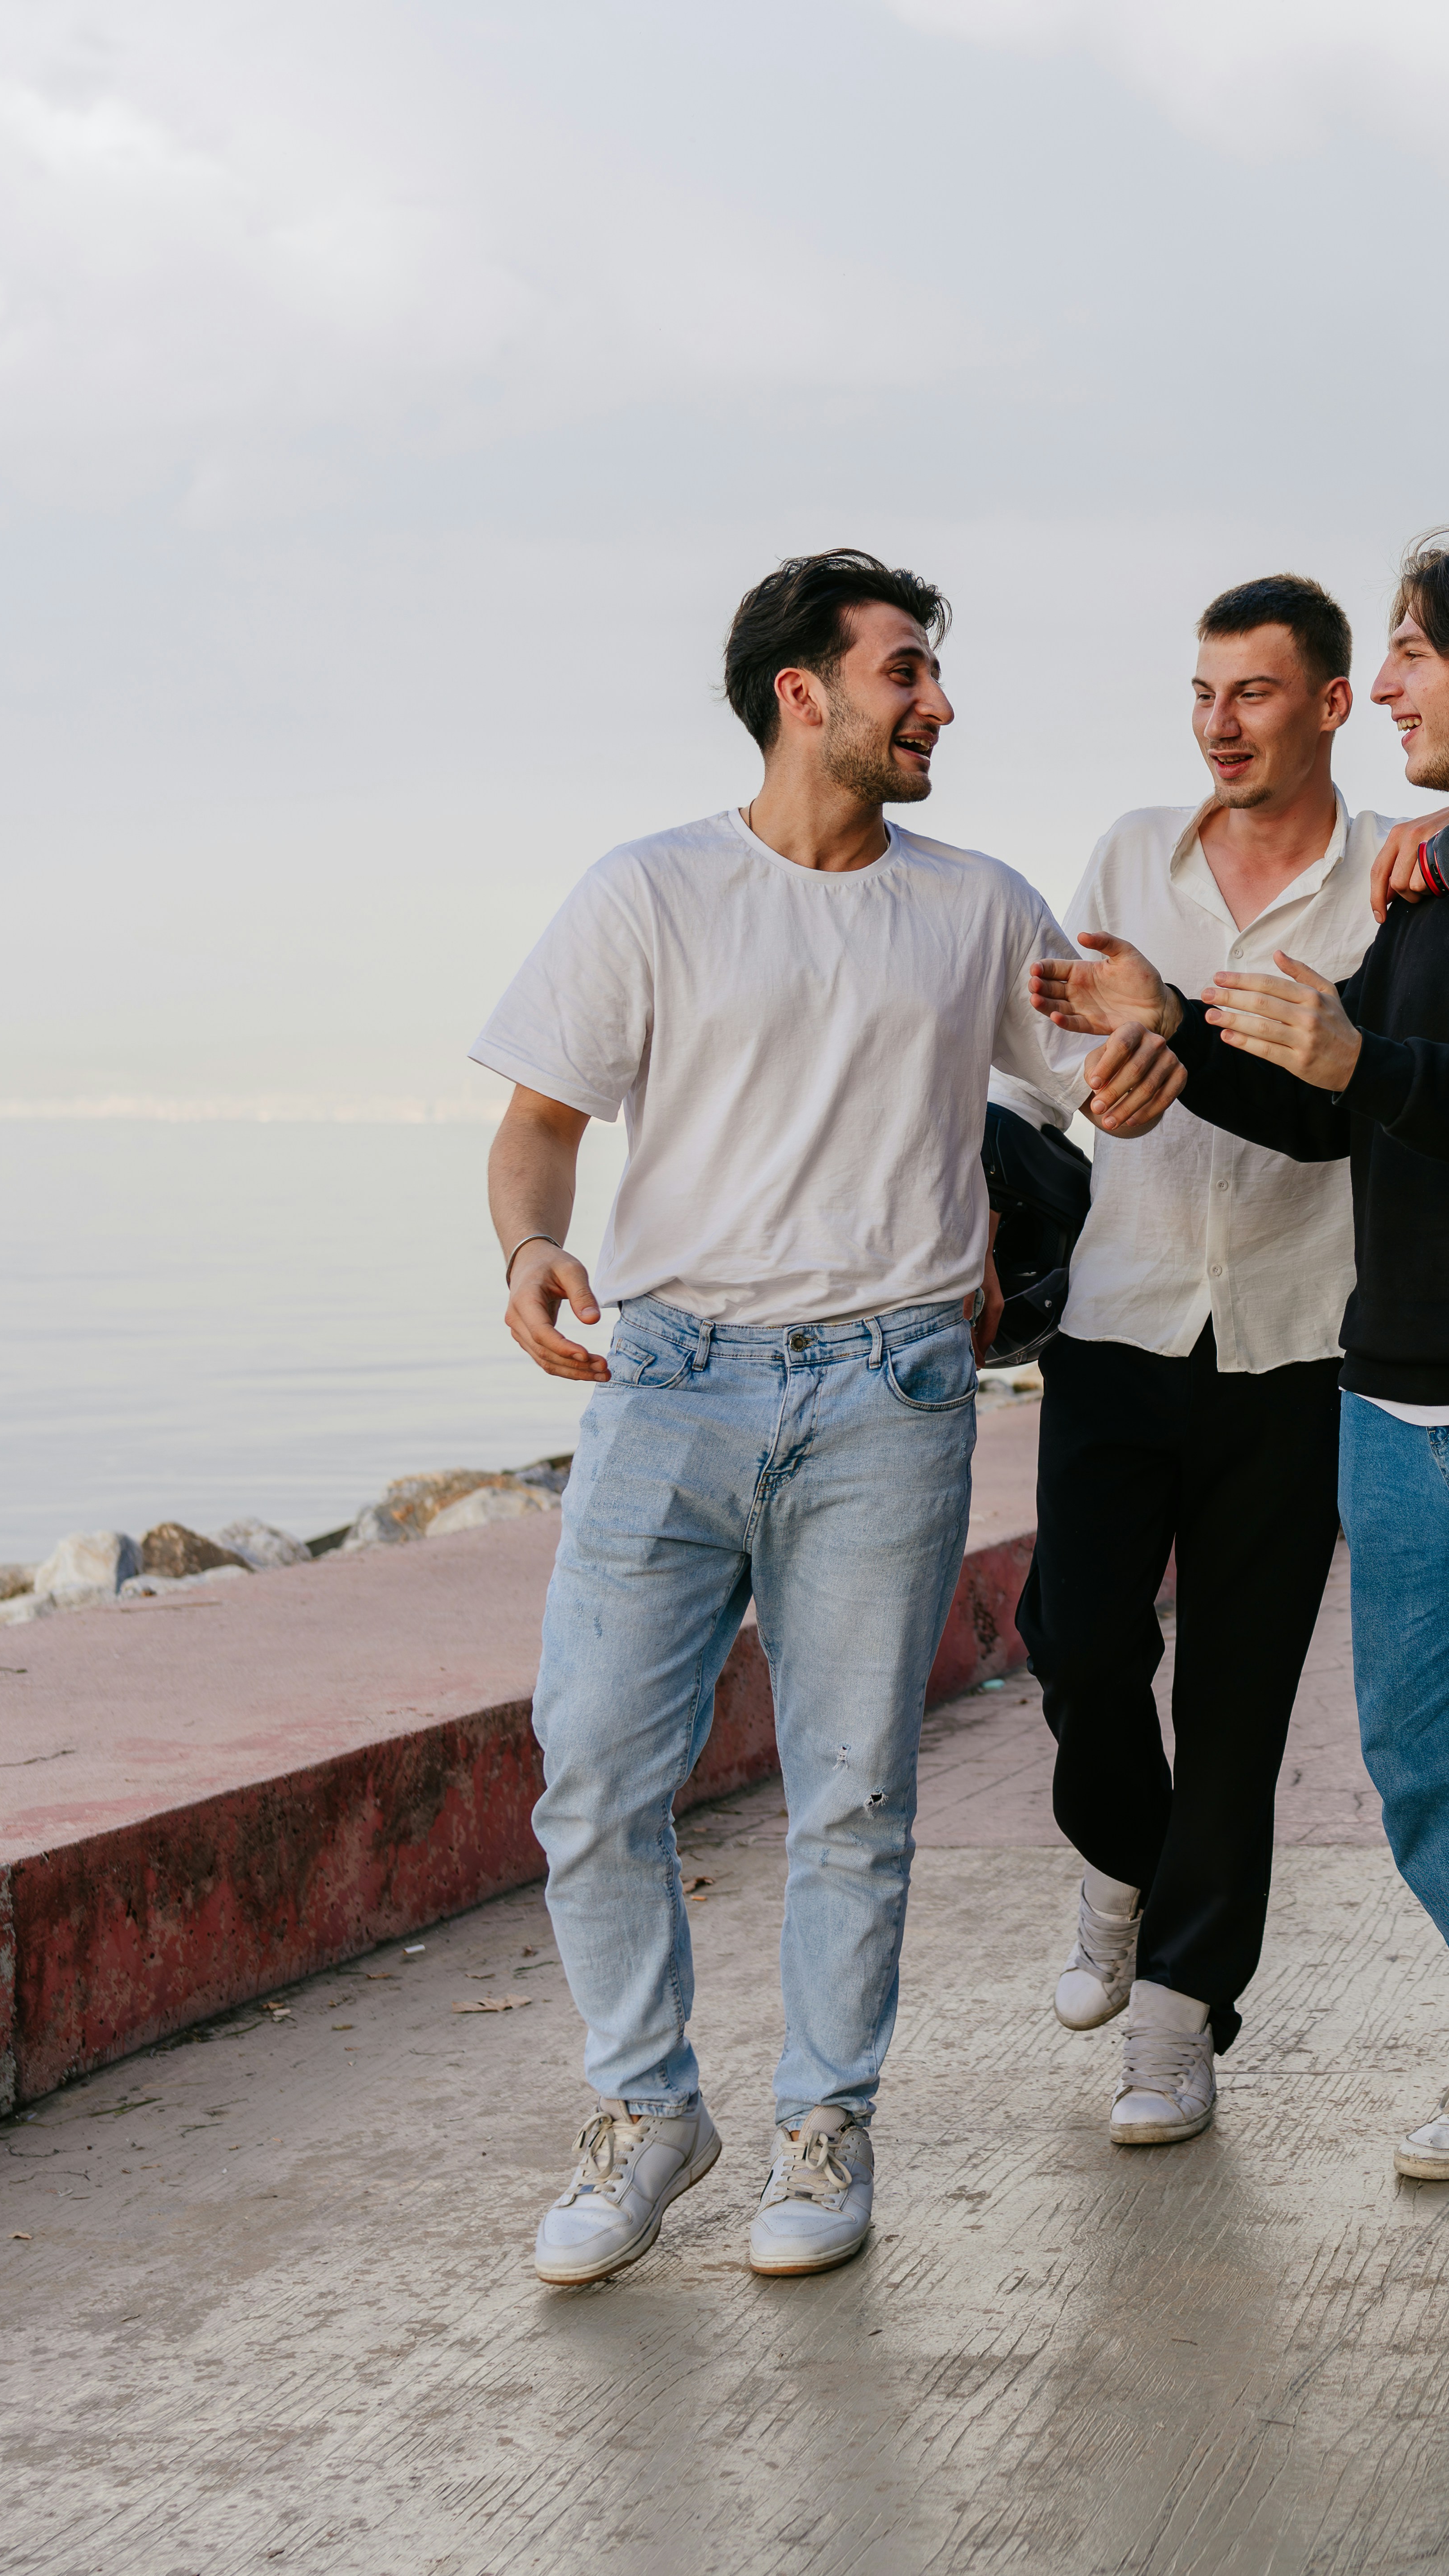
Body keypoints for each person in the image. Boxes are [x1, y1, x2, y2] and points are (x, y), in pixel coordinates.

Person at [474, 547, 1181, 2288]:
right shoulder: (649, 890)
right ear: (803, 694)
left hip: (890, 1391)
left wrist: (1144, 1041)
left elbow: (1102, 1083)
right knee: (591, 1773)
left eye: (931, 674)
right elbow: (542, 1124)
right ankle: (648, 2110)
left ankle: (824, 2126)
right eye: (904, 672)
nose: (937, 703)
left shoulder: (980, 905)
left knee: (853, 1796)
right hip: (667, 1382)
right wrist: (531, 1249)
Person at [1033, 535, 1449, 2308]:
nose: (1392, 687)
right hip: (1393, 1388)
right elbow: (1340, 1116)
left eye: (1412, 654)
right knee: (1423, 1772)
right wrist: (1174, 1025)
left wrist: (1359, 1058)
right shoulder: (1427, 895)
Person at [1012, 575, 1405, 2148]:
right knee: (1077, 1646)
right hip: (1121, 1316)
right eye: (1201, 692)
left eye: (1252, 692)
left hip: (1300, 1341)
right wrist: (1097, 1083)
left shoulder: (1396, 879)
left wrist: (1171, 1030)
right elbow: (1057, 1049)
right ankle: (1123, 1859)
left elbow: (1351, 1100)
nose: (1218, 724)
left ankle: (1177, 2017)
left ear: (1329, 703)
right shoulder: (1128, 854)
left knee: (1239, 1698)